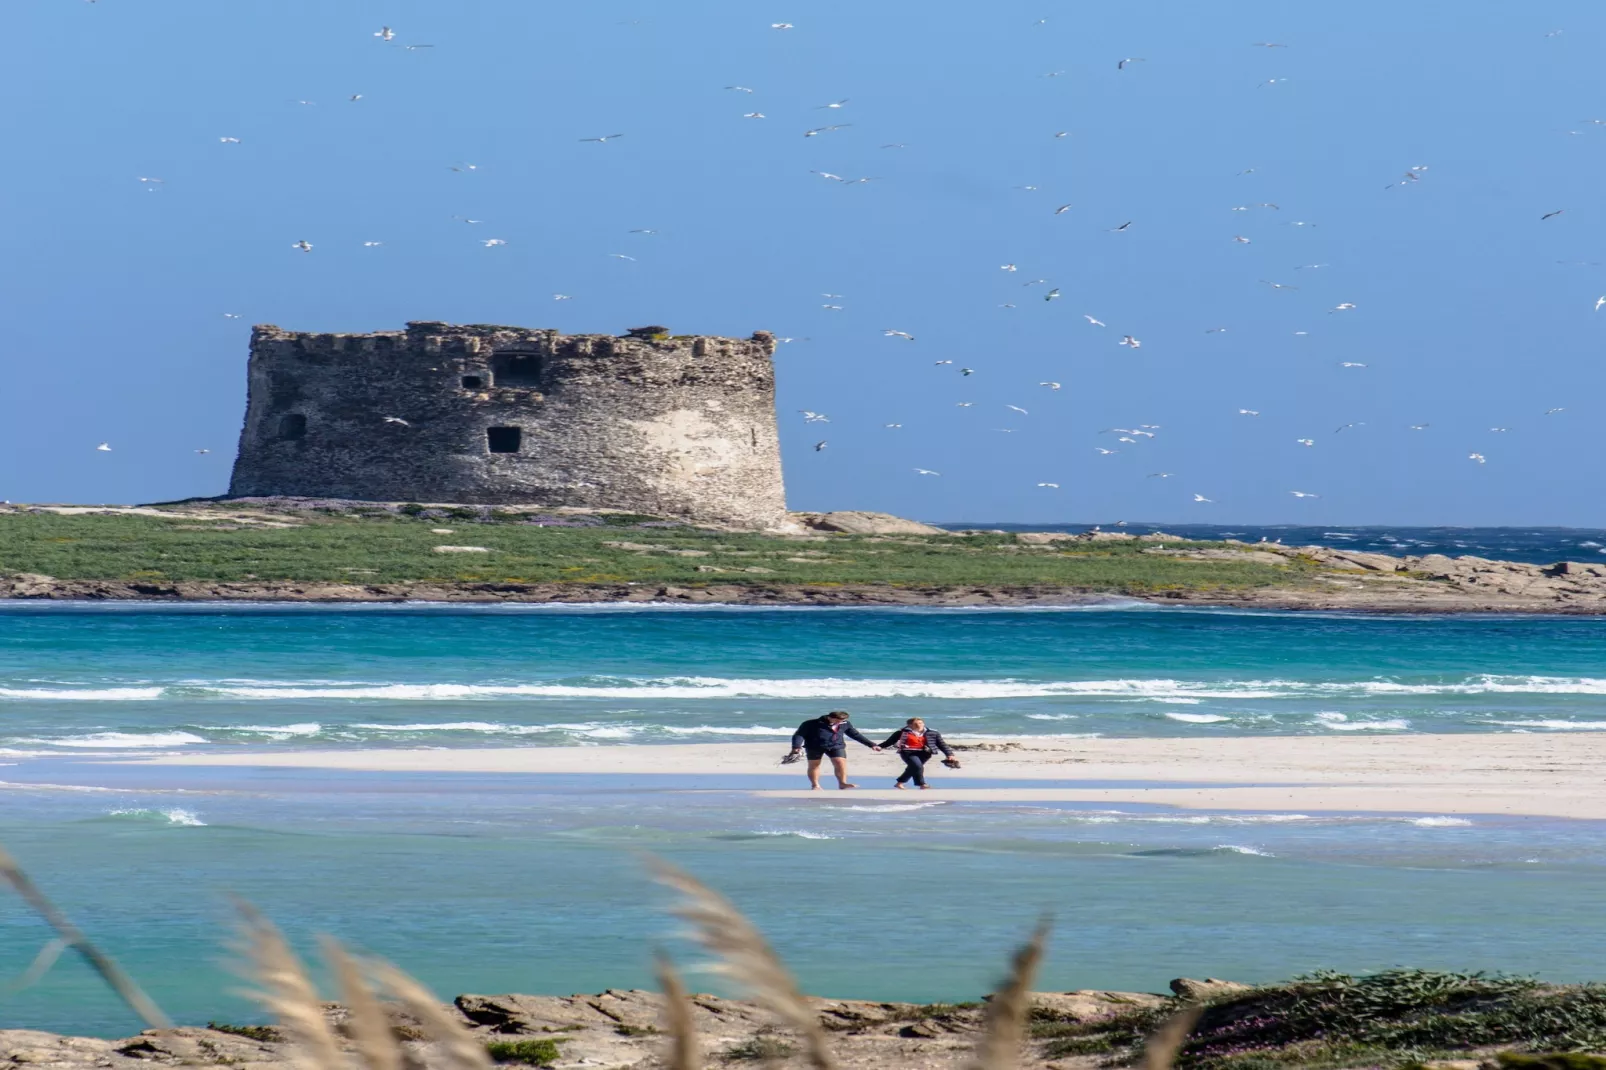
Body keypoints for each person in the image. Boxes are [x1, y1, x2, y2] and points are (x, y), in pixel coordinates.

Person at [786, 710, 880, 790]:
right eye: (839, 720)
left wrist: (871, 744)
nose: (841, 722)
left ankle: (842, 783)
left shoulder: (844, 723)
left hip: (836, 745)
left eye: (843, 720)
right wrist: (796, 747)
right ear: (831, 718)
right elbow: (799, 735)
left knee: (840, 762)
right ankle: (815, 785)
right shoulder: (810, 724)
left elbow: (855, 735)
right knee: (814, 765)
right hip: (814, 746)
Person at [879, 717, 955, 790]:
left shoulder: (932, 733)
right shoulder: (902, 732)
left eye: (921, 723)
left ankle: (900, 783)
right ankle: (922, 784)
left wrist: (949, 754)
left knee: (914, 768)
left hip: (925, 753)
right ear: (909, 725)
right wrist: (879, 746)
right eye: (916, 724)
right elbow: (889, 742)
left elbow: (941, 744)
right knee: (917, 766)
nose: (919, 725)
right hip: (908, 752)